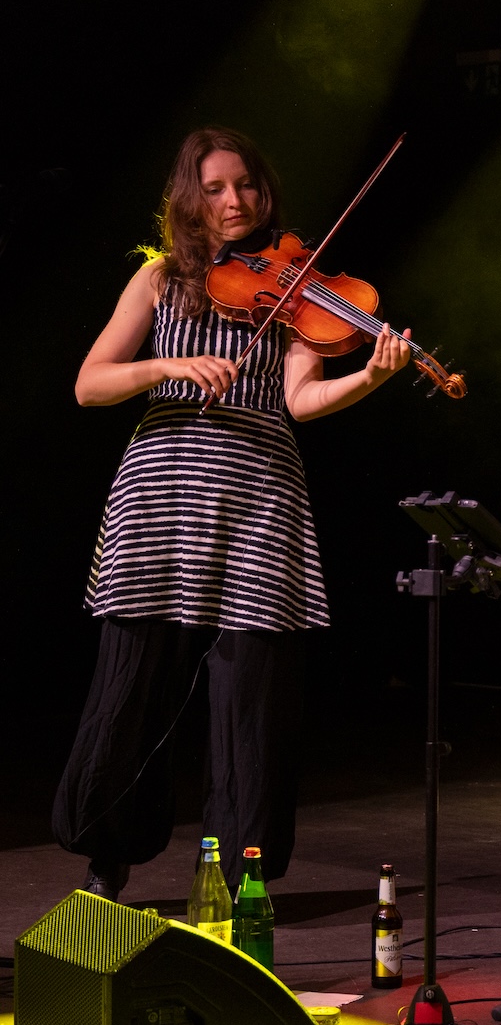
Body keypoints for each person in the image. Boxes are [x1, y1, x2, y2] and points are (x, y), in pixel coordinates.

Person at [55, 126, 413, 900]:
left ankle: (234, 878)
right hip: (161, 496)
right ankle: (107, 858)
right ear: (189, 198)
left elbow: (300, 400)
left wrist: (370, 379)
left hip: (259, 495)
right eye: (215, 188)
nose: (234, 201)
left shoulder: (296, 286)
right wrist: (169, 365)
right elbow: (90, 383)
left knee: (252, 694)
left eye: (245, 184)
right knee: (133, 681)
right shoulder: (158, 279)